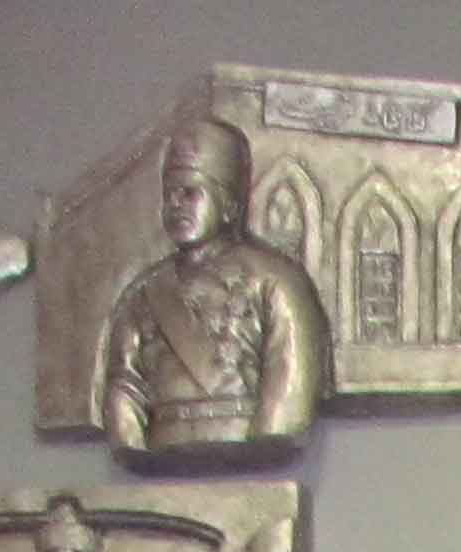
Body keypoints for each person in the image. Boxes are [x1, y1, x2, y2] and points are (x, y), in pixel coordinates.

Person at [99, 115, 325, 462]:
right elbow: (124, 382)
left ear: (229, 205)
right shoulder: (142, 294)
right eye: (169, 195)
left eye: (190, 193)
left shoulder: (278, 281)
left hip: (243, 433)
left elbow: (288, 375)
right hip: (166, 443)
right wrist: (129, 439)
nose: (176, 205)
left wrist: (268, 434)